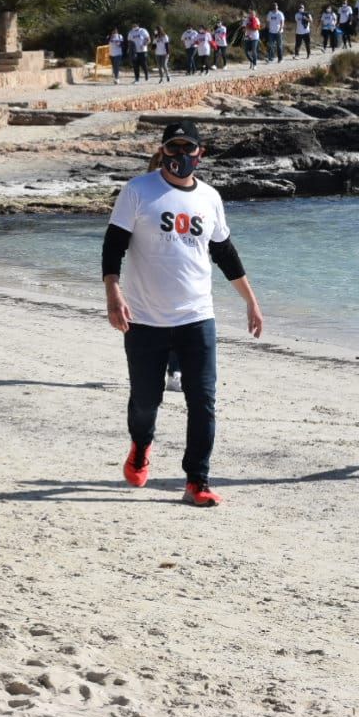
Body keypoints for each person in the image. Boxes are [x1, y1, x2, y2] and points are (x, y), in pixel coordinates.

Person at [102, 121, 264, 508]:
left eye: (187, 149)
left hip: (197, 317)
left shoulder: (209, 198)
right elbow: (113, 247)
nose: (180, 157)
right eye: (172, 149)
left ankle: (197, 480)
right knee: (146, 400)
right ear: (162, 152)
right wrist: (113, 292)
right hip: (144, 319)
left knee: (203, 401)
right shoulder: (138, 191)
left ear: (199, 153)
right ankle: (141, 444)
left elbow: (225, 253)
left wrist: (251, 301)